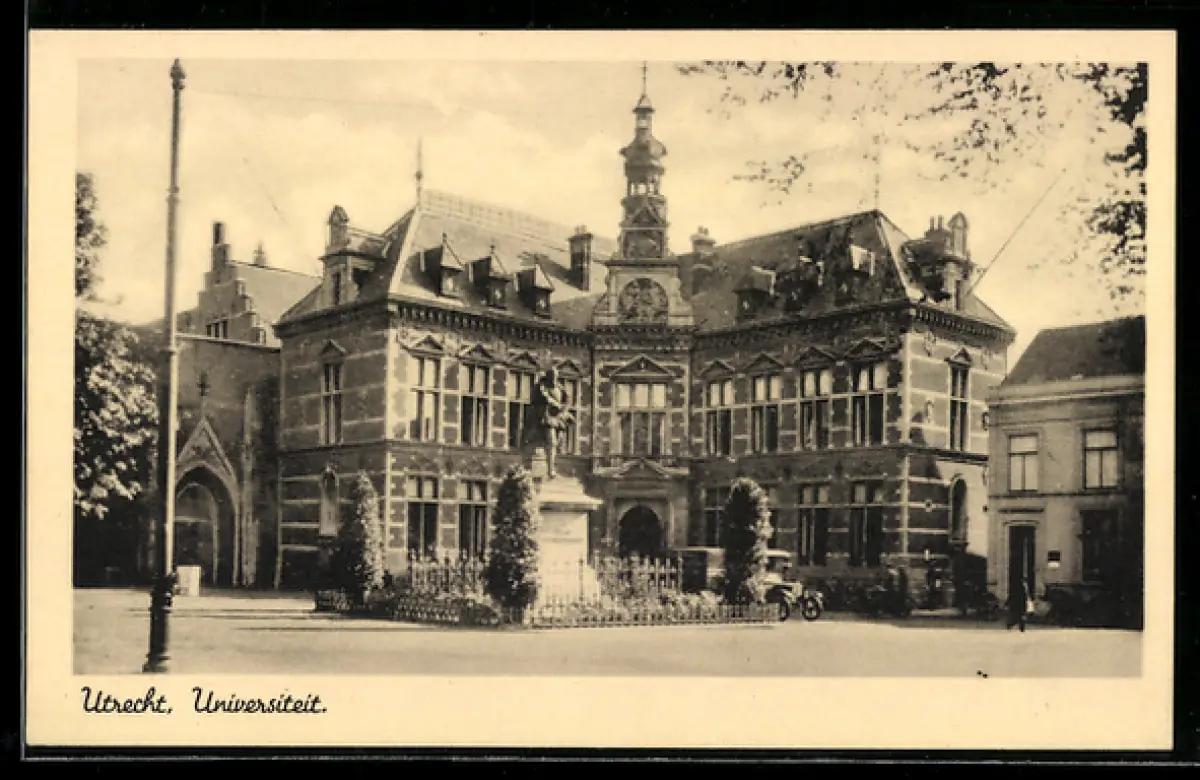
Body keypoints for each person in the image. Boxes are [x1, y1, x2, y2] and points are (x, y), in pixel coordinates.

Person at [531, 367, 574, 479]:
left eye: (556, 376)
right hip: (546, 416)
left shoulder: (559, 387)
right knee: (552, 442)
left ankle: (553, 463)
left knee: (557, 441)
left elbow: (567, 398)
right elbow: (544, 397)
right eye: (552, 376)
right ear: (548, 376)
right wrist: (556, 404)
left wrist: (564, 409)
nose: (554, 379)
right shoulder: (542, 386)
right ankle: (550, 470)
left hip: (557, 418)